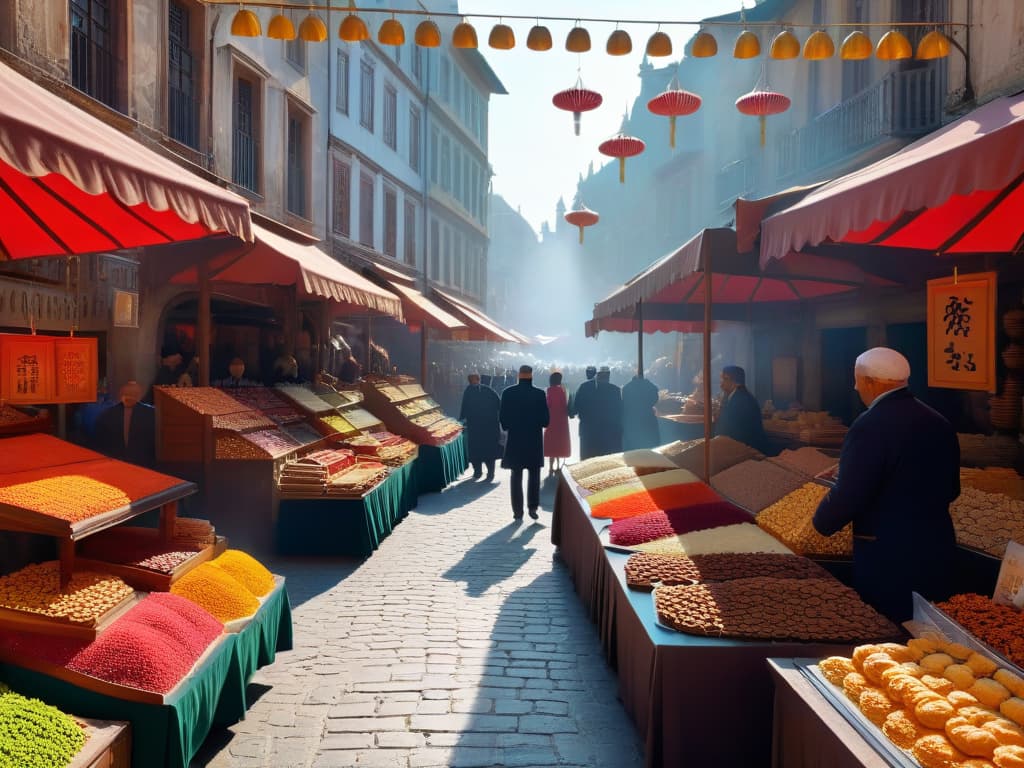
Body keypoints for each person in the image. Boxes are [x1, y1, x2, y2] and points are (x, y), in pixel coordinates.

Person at [813, 347, 959, 623]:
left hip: (888, 554)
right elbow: (952, 489)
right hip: (936, 545)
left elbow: (851, 492)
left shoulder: (870, 424)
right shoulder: (939, 421)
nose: (855, 387)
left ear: (870, 381)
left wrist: (822, 522)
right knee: (928, 630)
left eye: (857, 380)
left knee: (888, 628)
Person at [499, 365, 550, 521]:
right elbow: (546, 421)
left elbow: (503, 419)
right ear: (532, 376)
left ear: (518, 376)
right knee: (534, 475)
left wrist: (511, 426)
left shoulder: (508, 393)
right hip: (533, 440)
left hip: (515, 439)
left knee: (516, 476)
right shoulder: (539, 394)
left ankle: (517, 511)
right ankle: (533, 508)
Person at [94, 381, 156, 467]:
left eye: (133, 394)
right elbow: (101, 440)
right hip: (115, 462)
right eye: (127, 393)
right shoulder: (109, 414)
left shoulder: (151, 413)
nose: (130, 396)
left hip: (143, 464)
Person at [459, 372, 502, 481]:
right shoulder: (489, 390)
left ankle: (478, 471)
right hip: (488, 426)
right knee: (489, 449)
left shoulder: (468, 391)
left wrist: (462, 420)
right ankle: (489, 472)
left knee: (476, 449)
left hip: (476, 426)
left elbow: (464, 408)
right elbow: (499, 405)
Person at [714, 365, 766, 452]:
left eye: (725, 379)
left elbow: (732, 430)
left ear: (737, 382)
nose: (721, 384)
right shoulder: (731, 396)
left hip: (745, 449)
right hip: (735, 445)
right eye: (721, 379)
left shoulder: (743, 399)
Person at [589, 366, 623, 456]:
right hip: (612, 425)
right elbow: (619, 408)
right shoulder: (616, 389)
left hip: (597, 426)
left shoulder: (593, 391)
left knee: (599, 452)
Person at [622, 373, 661, 450]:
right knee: (650, 445)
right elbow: (655, 399)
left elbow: (625, 403)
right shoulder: (650, 386)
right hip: (648, 417)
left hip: (633, 420)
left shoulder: (626, 387)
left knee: (634, 446)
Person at [543, 371, 571, 476]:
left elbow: (547, 404)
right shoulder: (563, 390)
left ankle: (550, 467)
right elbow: (565, 405)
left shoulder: (549, 390)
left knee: (552, 443)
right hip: (561, 420)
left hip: (551, 419)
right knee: (560, 442)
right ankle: (559, 465)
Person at [570, 365, 599, 460]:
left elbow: (576, 405)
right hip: (599, 424)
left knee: (585, 452)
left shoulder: (583, 387)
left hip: (585, 424)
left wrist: (572, 412)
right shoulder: (601, 386)